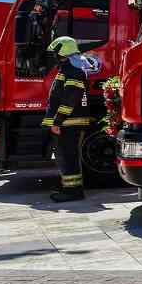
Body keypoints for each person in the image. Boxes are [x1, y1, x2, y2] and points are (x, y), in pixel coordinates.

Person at [41, 37, 92, 202]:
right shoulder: (68, 70)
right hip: (67, 122)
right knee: (65, 156)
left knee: (68, 156)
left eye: (56, 53)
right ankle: (70, 188)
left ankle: (73, 192)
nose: (54, 56)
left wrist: (57, 121)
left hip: (69, 123)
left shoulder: (73, 71)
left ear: (63, 52)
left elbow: (69, 99)